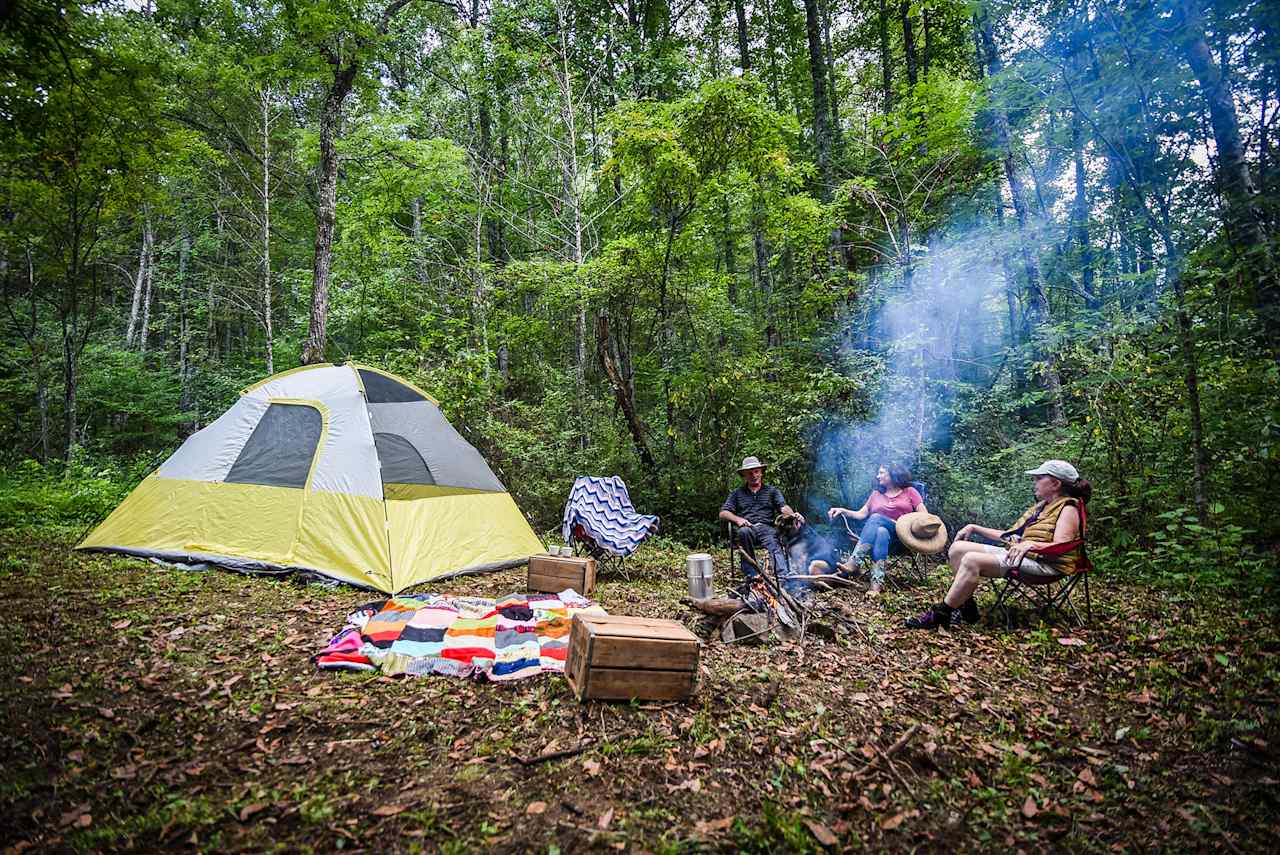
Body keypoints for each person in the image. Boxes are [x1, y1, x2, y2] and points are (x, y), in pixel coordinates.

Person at [905, 459, 1092, 630]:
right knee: (958, 549)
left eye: (1039, 478)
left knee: (971, 560)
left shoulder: (1069, 508)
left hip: (1047, 565)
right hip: (1021, 554)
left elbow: (1061, 545)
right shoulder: (1041, 507)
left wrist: (1030, 545)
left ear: (1056, 483)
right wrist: (974, 527)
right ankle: (965, 606)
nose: (1034, 482)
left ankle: (940, 614)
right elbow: (1008, 536)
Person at [826, 463, 927, 596]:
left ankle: (854, 562)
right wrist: (842, 510)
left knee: (876, 518)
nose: (877, 476)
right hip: (882, 540)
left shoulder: (910, 492)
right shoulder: (876, 494)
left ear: (893, 473)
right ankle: (875, 587)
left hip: (902, 538)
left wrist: (903, 523)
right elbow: (861, 514)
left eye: (881, 472)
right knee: (881, 532)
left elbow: (924, 516)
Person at [719, 456, 805, 582]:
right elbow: (723, 513)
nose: (754, 475)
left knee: (774, 539)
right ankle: (751, 575)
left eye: (756, 471)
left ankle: (782, 576)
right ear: (744, 475)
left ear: (761, 472)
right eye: (749, 473)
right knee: (743, 532)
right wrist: (738, 520)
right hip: (748, 527)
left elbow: (783, 507)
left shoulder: (772, 491)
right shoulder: (737, 493)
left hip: (768, 528)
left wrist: (793, 514)